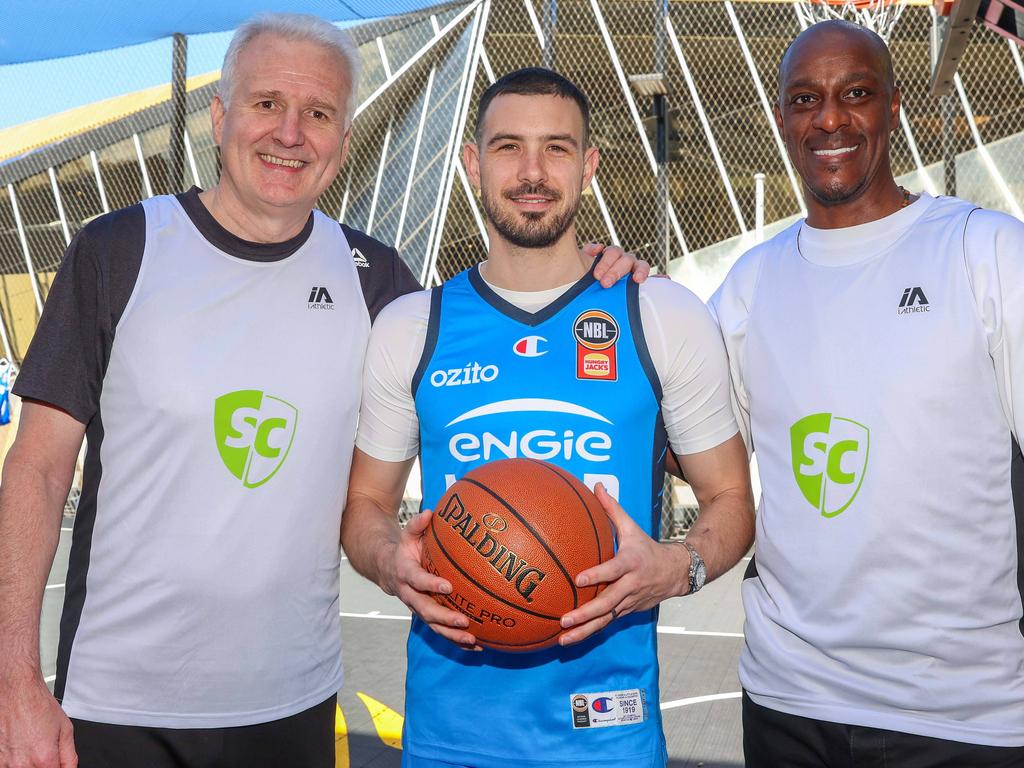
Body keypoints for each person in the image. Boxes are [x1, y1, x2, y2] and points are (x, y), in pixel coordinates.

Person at [0, 15, 643, 768]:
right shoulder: (121, 249)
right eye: (268, 103)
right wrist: (14, 677)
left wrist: (591, 277)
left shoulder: (377, 282)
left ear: (343, 138)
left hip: (292, 705)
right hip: (117, 707)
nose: (291, 132)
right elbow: (39, 471)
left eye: (320, 114)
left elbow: (498, 342)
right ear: (221, 117)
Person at [341, 67, 755, 768]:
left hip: (609, 735)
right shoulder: (413, 326)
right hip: (449, 739)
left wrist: (676, 566)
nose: (532, 171)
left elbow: (731, 498)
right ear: (473, 164)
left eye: (557, 149)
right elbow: (364, 504)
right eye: (507, 147)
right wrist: (388, 561)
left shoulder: (658, 313)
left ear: (589, 167)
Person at [709, 19, 1024, 767]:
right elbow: (690, 449)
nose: (830, 118)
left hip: (961, 713)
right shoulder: (749, 284)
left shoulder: (984, 251)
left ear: (894, 106)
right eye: (805, 99)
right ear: (782, 117)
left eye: (856, 94)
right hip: (789, 697)